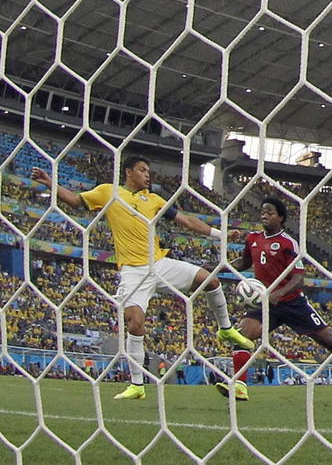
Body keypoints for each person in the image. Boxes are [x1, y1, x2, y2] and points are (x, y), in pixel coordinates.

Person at [31, 156, 254, 400]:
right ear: (129, 172)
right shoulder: (109, 192)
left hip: (159, 264)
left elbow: (187, 221)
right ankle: (137, 385)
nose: (147, 174)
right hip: (133, 271)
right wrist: (50, 182)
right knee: (135, 323)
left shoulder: (154, 199)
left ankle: (225, 329)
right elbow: (75, 201)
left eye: (148, 170)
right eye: (142, 170)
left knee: (210, 280)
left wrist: (221, 234)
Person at [214, 196, 332, 401]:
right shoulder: (253, 238)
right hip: (265, 303)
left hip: (292, 303)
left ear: (281, 217)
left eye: (270, 212)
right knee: (241, 336)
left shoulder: (288, 243)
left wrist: (279, 293)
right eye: (262, 212)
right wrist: (218, 268)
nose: (264, 215)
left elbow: (298, 278)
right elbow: (244, 263)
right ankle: (239, 386)